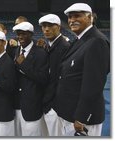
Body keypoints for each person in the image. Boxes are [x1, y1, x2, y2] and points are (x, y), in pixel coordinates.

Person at [54, 3, 110, 136]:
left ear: (90, 17)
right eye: (70, 17)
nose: (72, 20)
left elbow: (93, 85)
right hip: (70, 113)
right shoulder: (81, 40)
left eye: (77, 16)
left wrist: (82, 117)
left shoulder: (97, 41)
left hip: (81, 120)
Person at [13, 22, 49, 136]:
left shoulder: (40, 53)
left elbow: (43, 79)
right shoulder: (16, 50)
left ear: (31, 34)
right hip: (16, 105)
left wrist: (23, 65)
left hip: (32, 107)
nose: (20, 37)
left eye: (24, 34)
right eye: (18, 34)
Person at [38, 14, 70, 136]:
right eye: (44, 26)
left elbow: (64, 79)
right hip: (48, 103)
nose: (46, 29)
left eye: (50, 26)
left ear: (59, 27)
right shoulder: (49, 45)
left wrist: (54, 106)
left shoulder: (64, 46)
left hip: (55, 106)